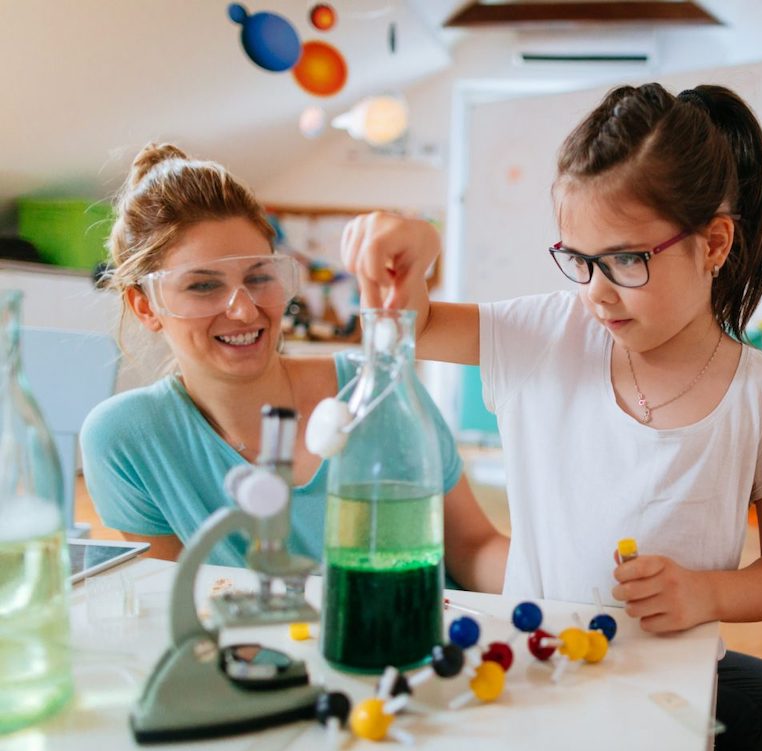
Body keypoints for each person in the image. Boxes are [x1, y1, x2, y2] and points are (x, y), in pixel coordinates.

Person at [341, 84, 762, 751]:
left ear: (715, 242)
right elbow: (405, 318)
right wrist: (414, 244)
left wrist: (706, 592)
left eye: (627, 260)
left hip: (664, 673)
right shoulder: (544, 333)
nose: (597, 292)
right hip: (533, 661)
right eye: (580, 258)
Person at [80, 143, 509, 593]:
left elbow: (473, 548)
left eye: (259, 277)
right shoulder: (128, 439)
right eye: (203, 286)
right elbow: (178, 606)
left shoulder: (379, 389)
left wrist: (563, 589)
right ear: (145, 305)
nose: (244, 311)